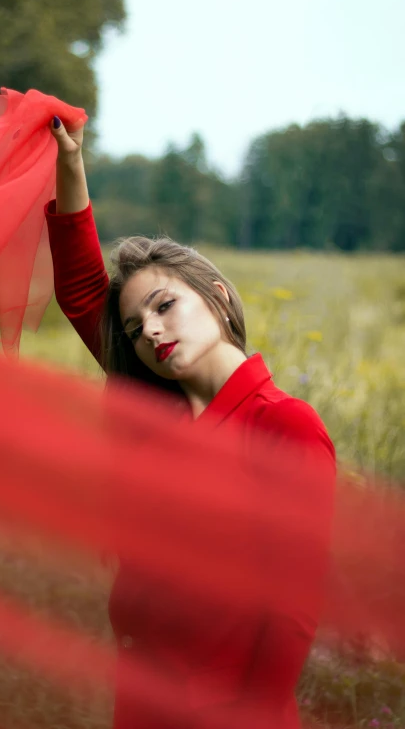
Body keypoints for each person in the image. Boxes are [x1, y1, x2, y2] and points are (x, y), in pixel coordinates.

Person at [45, 116, 336, 729]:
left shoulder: (285, 424)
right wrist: (70, 166)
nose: (150, 330)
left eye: (164, 305)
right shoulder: (151, 409)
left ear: (219, 295)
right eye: (134, 328)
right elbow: (79, 290)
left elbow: (292, 611)